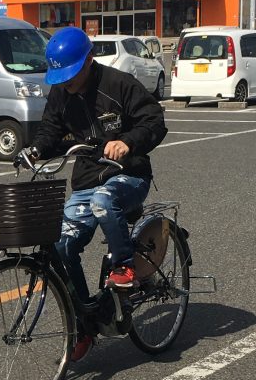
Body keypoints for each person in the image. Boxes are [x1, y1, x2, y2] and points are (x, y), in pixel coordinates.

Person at [27, 25, 168, 362]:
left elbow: (154, 120)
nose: (67, 82)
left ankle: (124, 267)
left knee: (104, 202)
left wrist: (128, 142)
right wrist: (34, 149)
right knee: (61, 244)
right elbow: (50, 130)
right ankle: (85, 322)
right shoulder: (61, 92)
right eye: (61, 76)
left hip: (128, 176)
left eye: (72, 74)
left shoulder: (118, 85)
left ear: (89, 60)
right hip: (89, 179)